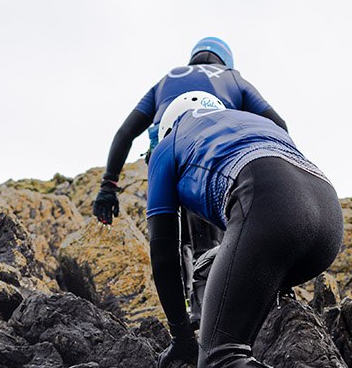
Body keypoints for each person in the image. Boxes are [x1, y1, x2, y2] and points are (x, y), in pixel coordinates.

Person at [146, 91, 352, 368]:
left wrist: (181, 336)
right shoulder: (251, 122)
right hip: (325, 216)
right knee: (216, 267)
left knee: (221, 359)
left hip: (266, 196)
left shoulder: (170, 143)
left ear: (169, 123)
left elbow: (165, 253)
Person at [92, 37, 288, 326]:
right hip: (211, 155)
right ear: (225, 60)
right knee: (209, 241)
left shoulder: (167, 79)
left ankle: (188, 314)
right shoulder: (233, 78)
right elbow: (278, 124)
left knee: (173, 238)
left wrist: (108, 186)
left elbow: (125, 132)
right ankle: (212, 314)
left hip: (164, 157)